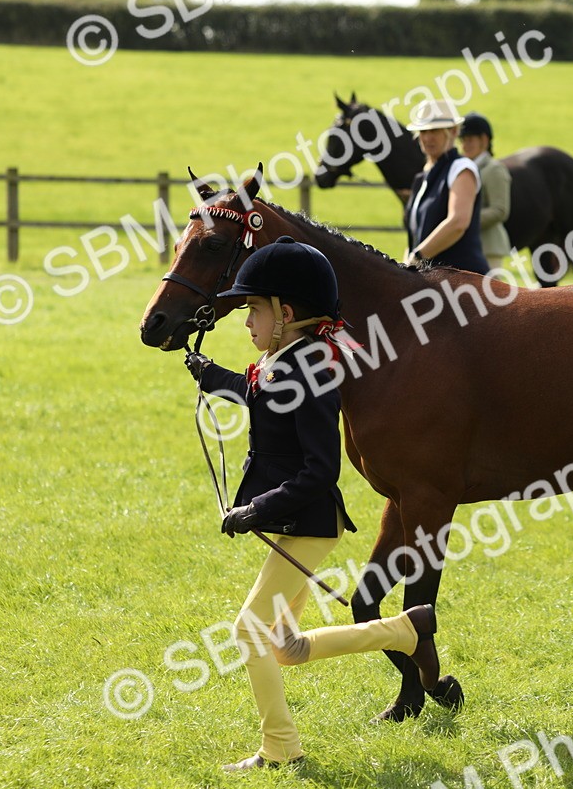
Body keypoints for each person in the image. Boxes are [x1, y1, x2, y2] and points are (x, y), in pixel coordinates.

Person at [183, 236, 442, 772]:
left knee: (248, 630)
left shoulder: (314, 370)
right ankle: (403, 629)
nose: (245, 320)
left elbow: (321, 471)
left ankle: (280, 748)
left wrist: (256, 510)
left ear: (287, 313)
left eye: (253, 308)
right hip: (298, 521)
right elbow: (260, 394)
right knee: (285, 646)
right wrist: (211, 377)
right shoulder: (287, 358)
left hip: (309, 522)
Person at [403, 99, 490, 275]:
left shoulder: (462, 168)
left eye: (434, 130)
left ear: (453, 131)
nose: (427, 138)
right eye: (423, 131)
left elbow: (458, 222)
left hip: (463, 280)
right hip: (430, 281)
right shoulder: (421, 178)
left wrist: (418, 256)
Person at [458, 112, 512, 272]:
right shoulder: (463, 169)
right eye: (462, 140)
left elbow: (500, 210)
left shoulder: (494, 169)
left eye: (470, 140)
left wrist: (466, 218)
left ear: (484, 140)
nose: (464, 145)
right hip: (467, 246)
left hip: (489, 247)